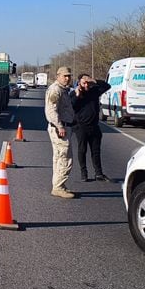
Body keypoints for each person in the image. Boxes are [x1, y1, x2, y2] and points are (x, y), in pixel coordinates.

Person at [70, 73, 111, 182]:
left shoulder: (94, 91)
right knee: (82, 150)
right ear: (79, 83)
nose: (86, 85)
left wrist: (93, 80)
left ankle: (99, 173)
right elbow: (71, 106)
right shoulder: (74, 93)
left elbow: (107, 86)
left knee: (96, 151)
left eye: (88, 82)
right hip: (80, 126)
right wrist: (77, 96)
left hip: (94, 126)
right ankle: (84, 173)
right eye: (84, 83)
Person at [44, 67, 76, 199]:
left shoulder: (64, 90)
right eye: (64, 76)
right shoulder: (55, 90)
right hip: (59, 128)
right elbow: (51, 110)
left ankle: (58, 185)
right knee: (65, 158)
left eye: (69, 76)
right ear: (58, 76)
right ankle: (58, 187)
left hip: (63, 126)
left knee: (59, 158)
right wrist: (59, 126)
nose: (67, 78)